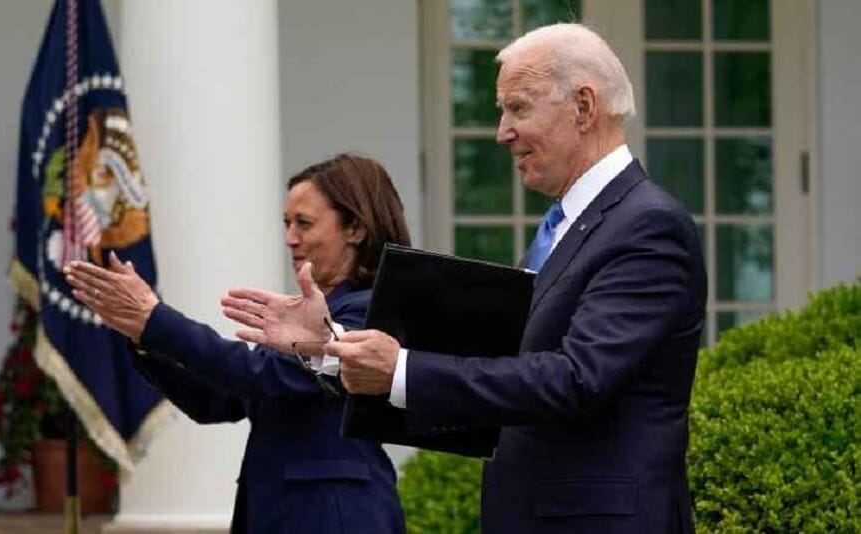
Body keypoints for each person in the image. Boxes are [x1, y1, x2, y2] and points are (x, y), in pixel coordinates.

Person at [225, 24, 706, 533]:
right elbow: (503, 370)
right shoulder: (569, 226)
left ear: (584, 107)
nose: (502, 132)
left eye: (517, 108)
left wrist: (402, 370)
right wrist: (332, 345)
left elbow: (575, 379)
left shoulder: (647, 225)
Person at [64, 154, 410, 534]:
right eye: (287, 223)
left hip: (337, 517)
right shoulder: (307, 312)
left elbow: (260, 375)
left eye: (304, 223)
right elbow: (218, 401)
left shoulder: (369, 310)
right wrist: (142, 337)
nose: (290, 238)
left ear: (355, 229)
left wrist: (157, 321)